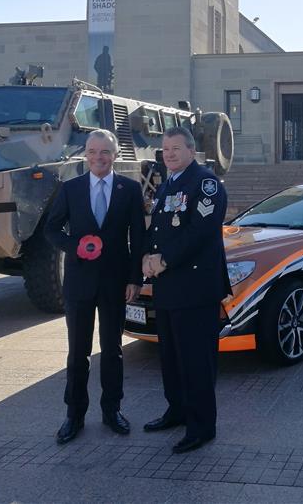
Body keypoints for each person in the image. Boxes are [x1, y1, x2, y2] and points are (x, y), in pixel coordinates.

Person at [44, 129, 145, 444]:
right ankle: (74, 415)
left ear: (115, 155)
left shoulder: (129, 189)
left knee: (113, 351)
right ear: (85, 154)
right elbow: (52, 229)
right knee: (78, 353)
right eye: (92, 151)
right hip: (79, 282)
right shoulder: (70, 189)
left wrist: (135, 278)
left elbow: (138, 238)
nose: (98, 158)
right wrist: (76, 246)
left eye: (104, 152)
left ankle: (112, 410)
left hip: (116, 282)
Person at [142, 126, 231, 454]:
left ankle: (202, 426)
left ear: (191, 151)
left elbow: (201, 232)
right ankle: (177, 410)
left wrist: (163, 259)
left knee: (196, 360)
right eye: (165, 149)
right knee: (171, 358)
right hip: (168, 288)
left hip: (195, 289)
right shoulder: (168, 184)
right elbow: (158, 229)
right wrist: (146, 258)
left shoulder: (205, 183)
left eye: (176, 148)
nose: (169, 154)